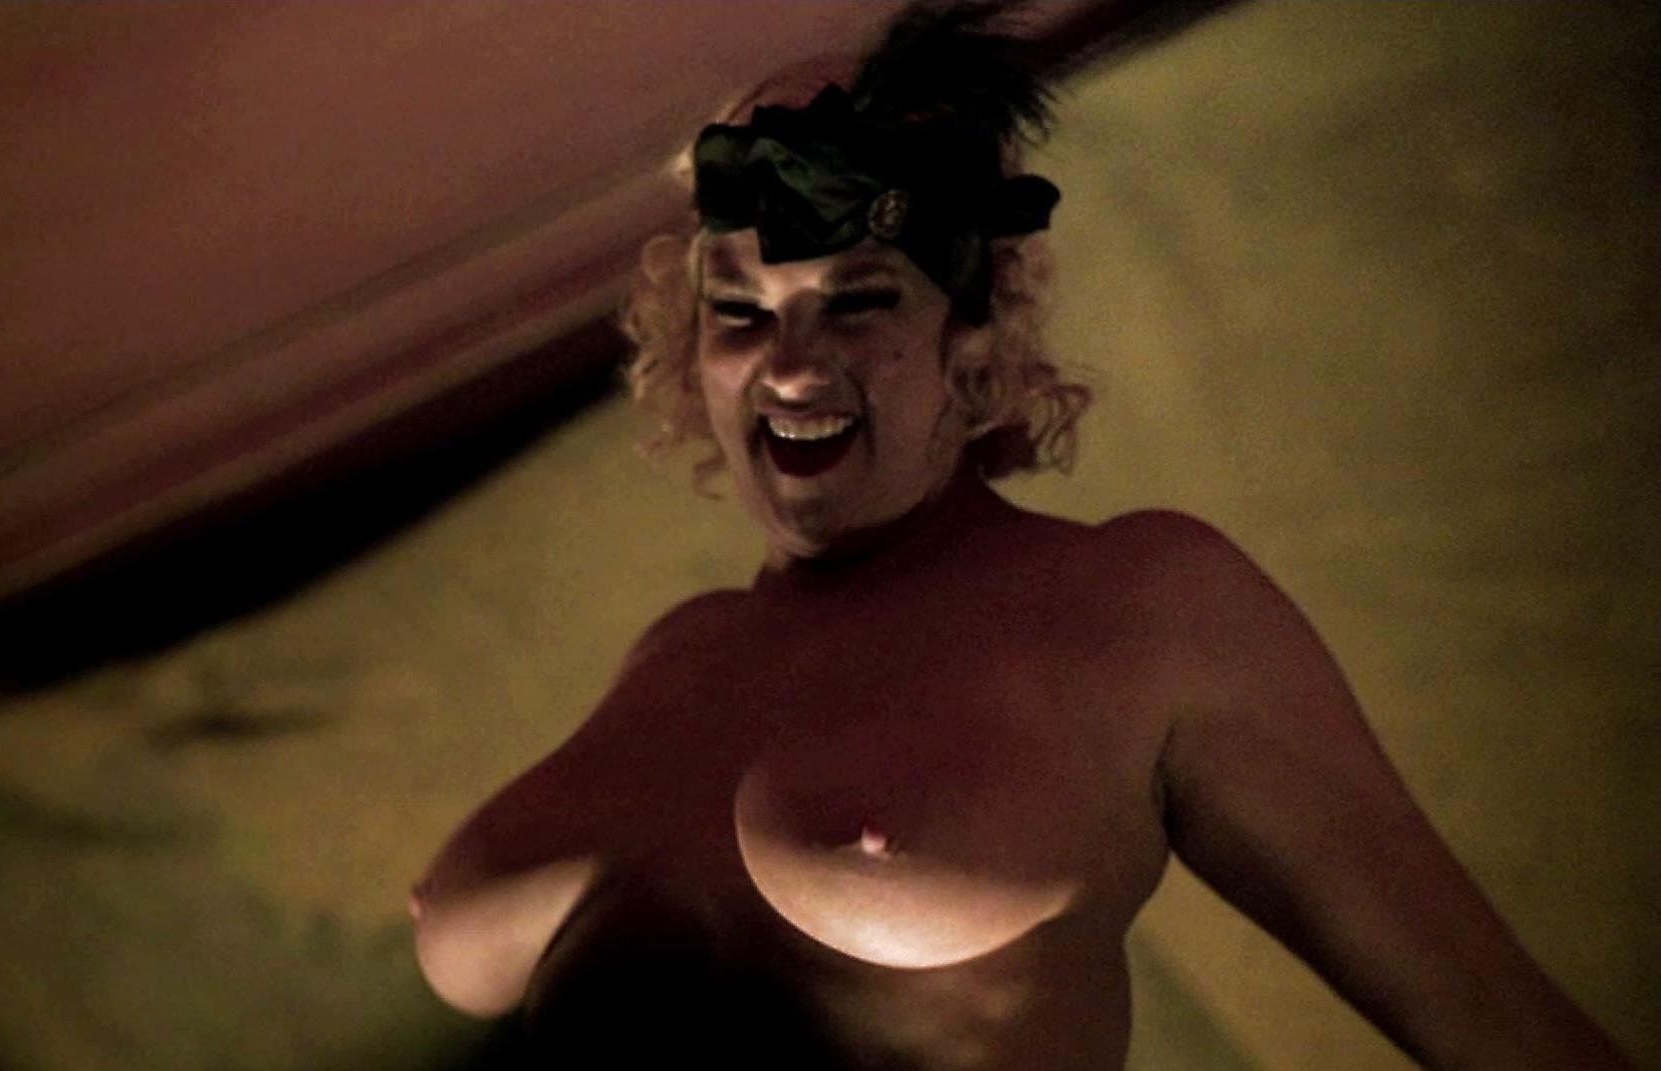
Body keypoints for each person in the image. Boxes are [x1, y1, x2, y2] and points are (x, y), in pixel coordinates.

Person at [410, 3, 1632, 1068]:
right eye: (741, 310)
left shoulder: (1145, 606)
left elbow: (1503, 1033)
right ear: (691, 345)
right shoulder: (678, 652)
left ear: (976, 336)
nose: (789, 364)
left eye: (859, 299)